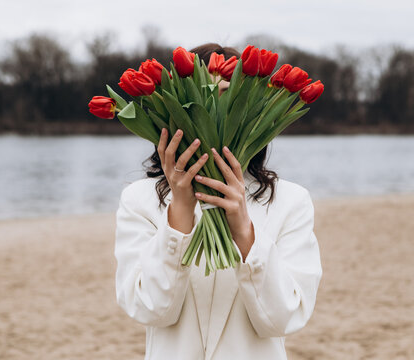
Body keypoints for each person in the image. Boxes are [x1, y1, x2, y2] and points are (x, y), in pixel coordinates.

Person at [114, 43, 323, 360]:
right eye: (200, 95)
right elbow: (150, 310)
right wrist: (179, 217)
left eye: (228, 94)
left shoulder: (289, 201)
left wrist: (245, 233)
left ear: (251, 107)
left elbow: (284, 318)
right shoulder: (140, 200)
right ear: (177, 104)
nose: (214, 108)